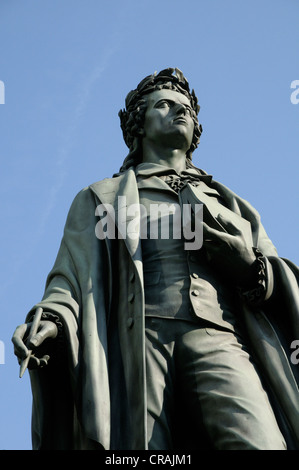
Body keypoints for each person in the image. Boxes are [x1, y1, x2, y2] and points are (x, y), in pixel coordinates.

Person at [12, 68, 299, 450]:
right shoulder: (103, 197)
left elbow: (283, 278)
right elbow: (72, 276)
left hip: (221, 337)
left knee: (260, 442)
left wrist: (249, 267)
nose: (180, 113)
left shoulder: (235, 206)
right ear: (139, 125)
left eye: (186, 109)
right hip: (139, 343)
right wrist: (50, 319)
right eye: (165, 105)